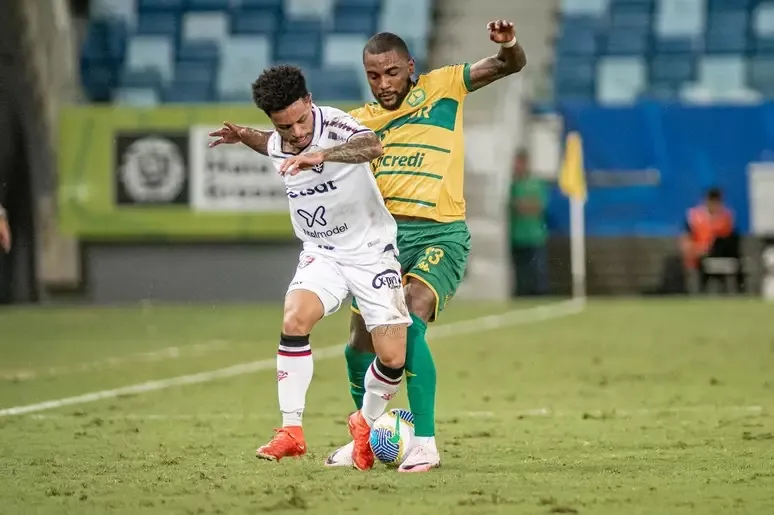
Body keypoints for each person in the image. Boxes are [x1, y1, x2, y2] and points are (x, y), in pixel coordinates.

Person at [211, 20, 526, 472]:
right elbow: (289, 141)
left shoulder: (443, 86)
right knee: (359, 348)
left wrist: (508, 44)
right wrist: (246, 135)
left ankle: (425, 441)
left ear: (411, 68)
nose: (383, 83)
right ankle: (362, 431)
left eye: (392, 73)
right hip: (382, 242)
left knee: (411, 321)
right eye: (374, 76)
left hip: (439, 233)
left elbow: (507, 65)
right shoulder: (359, 118)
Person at [209, 65, 413, 471]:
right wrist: (243, 135)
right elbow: (268, 142)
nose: (297, 133)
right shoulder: (280, 139)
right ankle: (291, 430)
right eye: (286, 127)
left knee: (392, 357)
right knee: (295, 317)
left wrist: (322, 154)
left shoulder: (333, 123)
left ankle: (365, 423)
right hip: (322, 251)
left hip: (372, 252)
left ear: (309, 101)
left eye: (301, 120)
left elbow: (372, 147)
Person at [680, 187, 743, 293]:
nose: (714, 205)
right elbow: (686, 239)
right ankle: (698, 292)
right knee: (697, 262)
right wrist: (694, 250)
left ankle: (737, 292)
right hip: (698, 255)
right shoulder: (694, 216)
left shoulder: (725, 217)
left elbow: (727, 241)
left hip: (718, 253)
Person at [509, 149, 548, 297]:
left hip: (534, 236)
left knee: (536, 271)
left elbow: (537, 206)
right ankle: (521, 295)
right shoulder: (513, 185)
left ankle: (539, 295)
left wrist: (521, 205)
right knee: (520, 272)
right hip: (517, 237)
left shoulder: (535, 183)